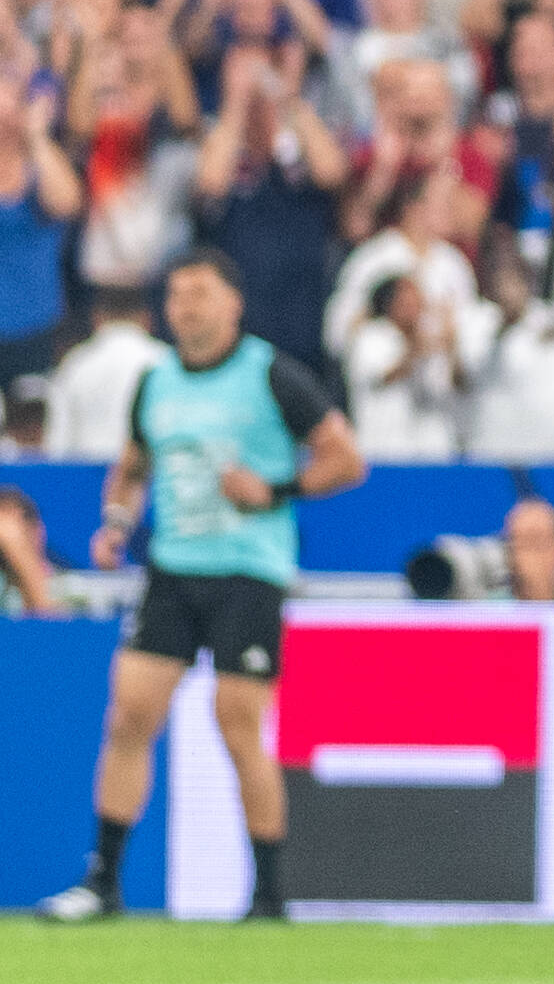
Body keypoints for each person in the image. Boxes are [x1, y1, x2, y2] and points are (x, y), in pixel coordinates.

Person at [41, 253, 364, 924]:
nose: (186, 306)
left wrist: (276, 489)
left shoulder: (271, 373)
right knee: (129, 715)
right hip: (174, 565)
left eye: (201, 293)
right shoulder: (155, 381)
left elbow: (346, 457)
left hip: (249, 567)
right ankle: (103, 880)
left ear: (233, 304)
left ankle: (269, 893)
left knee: (238, 721)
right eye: (178, 294)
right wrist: (115, 521)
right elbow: (131, 467)